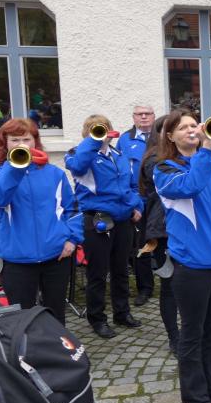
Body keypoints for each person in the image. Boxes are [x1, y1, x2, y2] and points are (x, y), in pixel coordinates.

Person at [153, 110, 211, 403]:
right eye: (184, 127)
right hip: (191, 265)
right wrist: (204, 150)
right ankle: (196, 399)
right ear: (170, 136)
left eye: (194, 125)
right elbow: (190, 186)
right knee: (192, 333)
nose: (192, 130)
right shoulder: (164, 169)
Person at [0, 119, 83, 325]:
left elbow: (72, 209)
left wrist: (72, 240)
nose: (21, 144)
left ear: (35, 141)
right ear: (5, 143)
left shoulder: (55, 173)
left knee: (56, 315)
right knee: (21, 319)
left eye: (26, 139)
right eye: (15, 140)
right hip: (16, 261)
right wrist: (15, 166)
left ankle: (56, 345)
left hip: (56, 256)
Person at [65, 114, 144, 339]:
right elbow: (77, 166)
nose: (101, 132)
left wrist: (136, 206)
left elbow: (132, 185)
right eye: (94, 129)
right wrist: (93, 141)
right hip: (98, 219)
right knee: (98, 273)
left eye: (103, 128)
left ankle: (122, 312)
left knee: (121, 270)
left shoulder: (119, 154)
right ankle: (97, 319)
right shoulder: (77, 154)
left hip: (123, 219)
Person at [137, 115, 179, 357]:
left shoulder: (182, 156)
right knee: (170, 285)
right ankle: (174, 337)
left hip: (181, 228)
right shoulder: (154, 160)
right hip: (163, 229)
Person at [116, 105, 156, 307]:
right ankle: (145, 288)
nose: (144, 117)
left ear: (154, 116)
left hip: (161, 199)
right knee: (141, 246)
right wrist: (130, 202)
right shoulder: (125, 139)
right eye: (140, 114)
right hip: (138, 199)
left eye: (147, 113)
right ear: (133, 117)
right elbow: (120, 172)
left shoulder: (163, 137)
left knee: (167, 241)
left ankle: (172, 283)